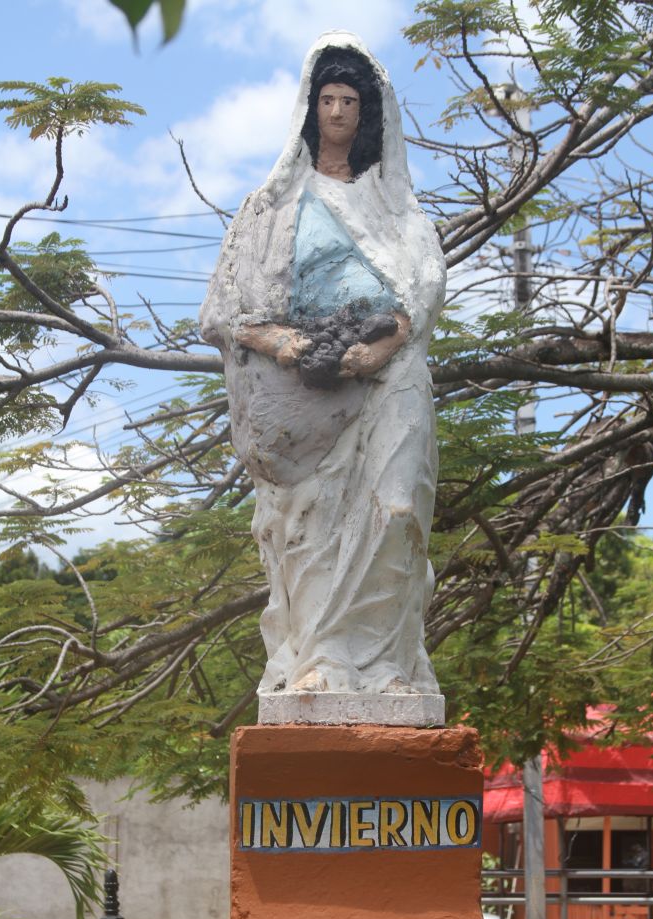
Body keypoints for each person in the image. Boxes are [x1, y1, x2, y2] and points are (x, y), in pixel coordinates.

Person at [200, 32, 446, 725]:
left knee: (394, 510)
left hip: (391, 375)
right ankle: (320, 658)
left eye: (350, 101)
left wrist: (383, 344)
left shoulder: (396, 211)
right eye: (327, 99)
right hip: (305, 395)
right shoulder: (271, 207)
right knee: (314, 528)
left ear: (367, 115)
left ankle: (390, 663)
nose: (338, 111)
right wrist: (285, 343)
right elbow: (225, 310)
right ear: (311, 110)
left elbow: (422, 292)